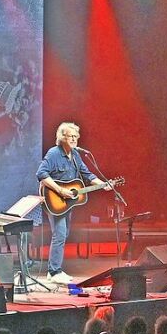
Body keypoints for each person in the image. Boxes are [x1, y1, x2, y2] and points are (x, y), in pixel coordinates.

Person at [36, 121, 106, 285]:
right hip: (55, 200)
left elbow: (86, 173)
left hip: (68, 203)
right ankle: (54, 271)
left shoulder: (75, 155)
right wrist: (60, 191)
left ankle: (53, 270)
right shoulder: (54, 153)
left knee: (64, 234)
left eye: (76, 136)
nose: (74, 139)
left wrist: (103, 184)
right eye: (70, 136)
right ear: (62, 138)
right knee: (60, 234)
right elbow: (41, 173)